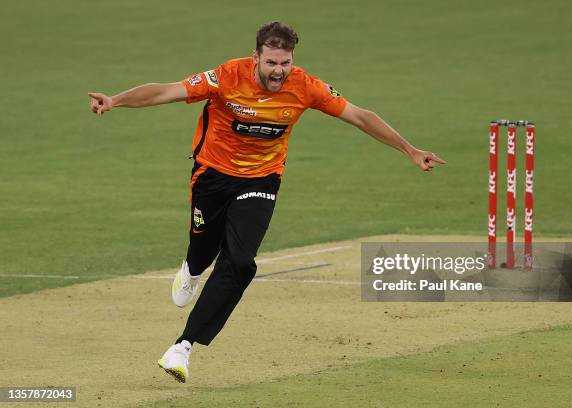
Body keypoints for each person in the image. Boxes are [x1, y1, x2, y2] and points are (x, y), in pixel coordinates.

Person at [88, 21, 445, 383]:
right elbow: (167, 92)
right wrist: (115, 101)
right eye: (272, 62)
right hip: (211, 176)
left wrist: (410, 150)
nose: (279, 71)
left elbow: (359, 116)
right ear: (256, 56)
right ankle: (192, 270)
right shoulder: (227, 76)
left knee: (241, 262)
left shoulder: (305, 86)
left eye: (285, 63)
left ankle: (183, 347)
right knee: (202, 250)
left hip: (262, 179)